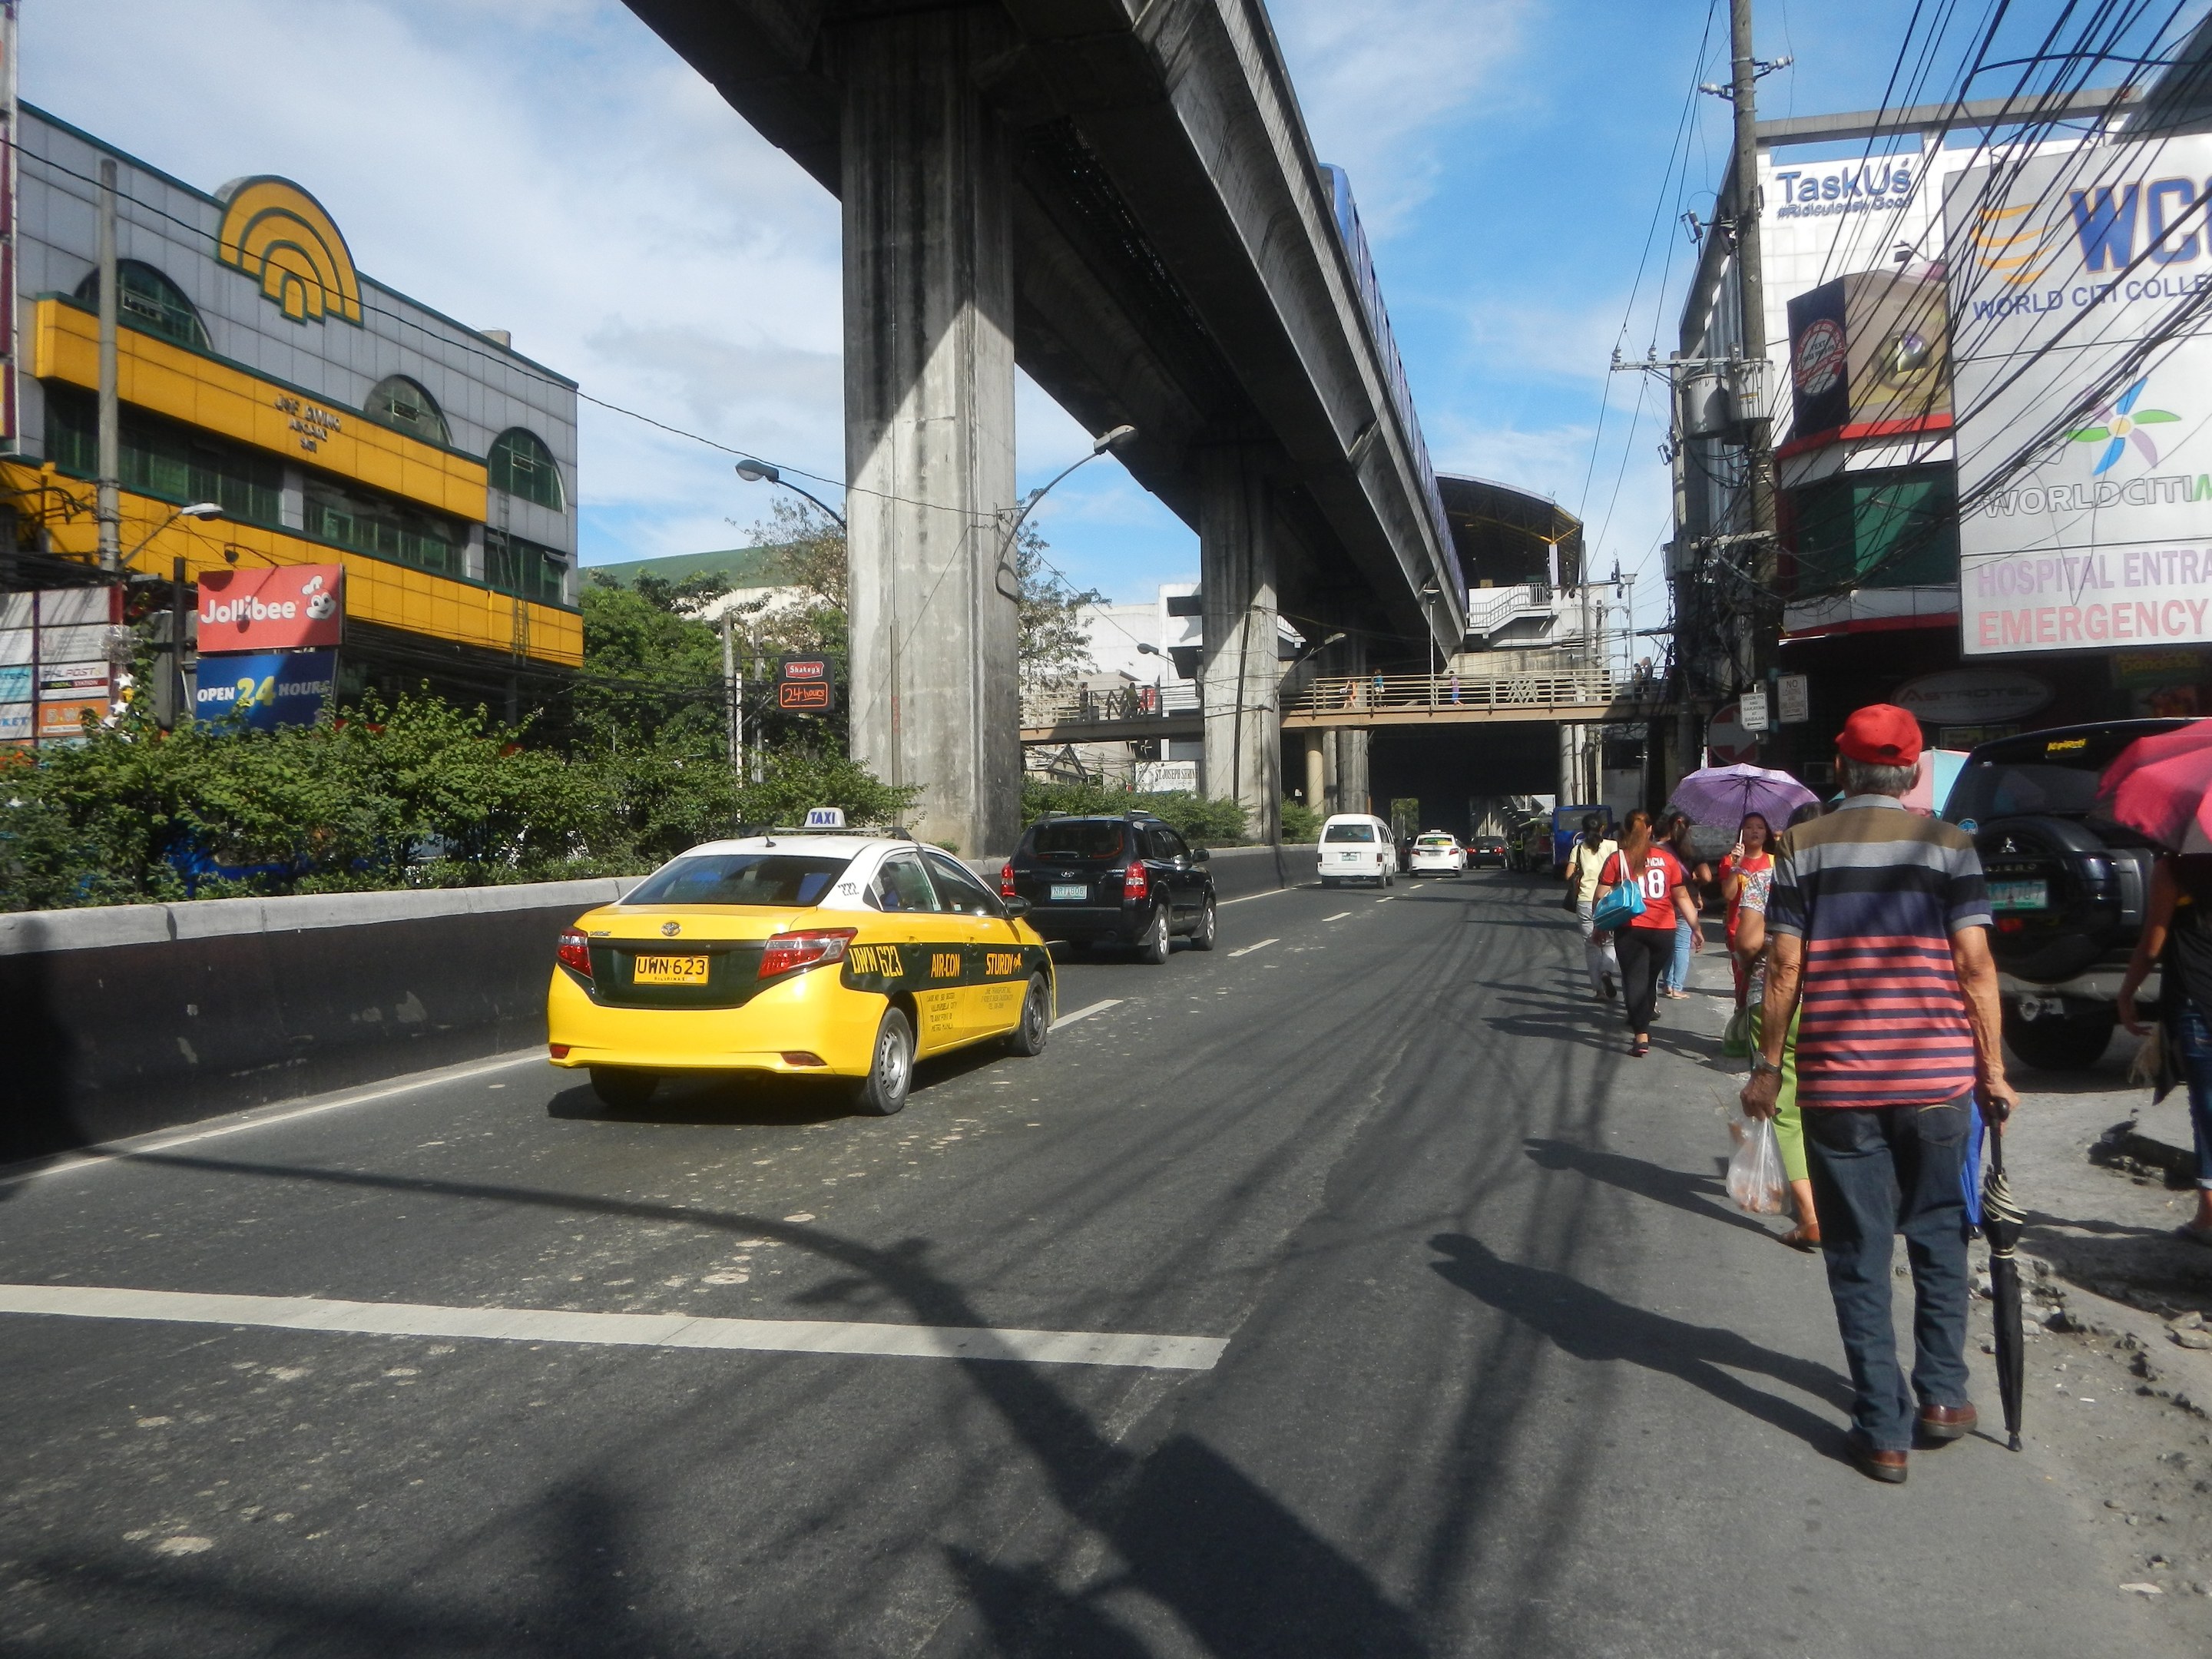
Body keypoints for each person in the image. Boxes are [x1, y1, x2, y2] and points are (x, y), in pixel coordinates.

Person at [1740, 704, 2013, 1485]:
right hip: (1937, 1082)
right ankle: (1943, 1397)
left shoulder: (1803, 846)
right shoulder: (1951, 846)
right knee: (1937, 1233)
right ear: (1912, 770)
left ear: (1844, 768)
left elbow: (1784, 967)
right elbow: (1975, 967)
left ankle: (1884, 1432)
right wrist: (1992, 1071)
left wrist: (1767, 1067)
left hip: (1840, 1082)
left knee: (1858, 1251)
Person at [1730, 825, 1819, 1250]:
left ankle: (1810, 1215)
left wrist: (1766, 949)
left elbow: (1746, 943)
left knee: (1781, 1105)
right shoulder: (1836, 877)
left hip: (1777, 1000)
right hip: (1830, 1001)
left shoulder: (1766, 880)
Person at [2118, 854, 2212, 1244]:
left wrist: (2127, 994)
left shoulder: (2177, 867)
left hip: (2196, 996)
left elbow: (2153, 944)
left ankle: (2209, 1214)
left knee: (2207, 1104)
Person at [1593, 809, 1699, 1058]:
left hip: (1631, 929)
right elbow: (1681, 896)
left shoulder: (1618, 860)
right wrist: (1696, 927)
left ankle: (1641, 1034)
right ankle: (1645, 1019)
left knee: (1634, 980)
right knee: (1650, 980)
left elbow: (1599, 896)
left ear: (1627, 830)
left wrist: (1599, 926)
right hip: (1665, 931)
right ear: (1650, 829)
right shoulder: (1668, 860)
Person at [1717, 813, 1776, 1012]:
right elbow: (1729, 894)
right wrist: (1735, 866)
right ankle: (1742, 1023)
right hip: (1739, 932)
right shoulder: (1730, 860)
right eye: (1749, 827)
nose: (1755, 831)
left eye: (1760, 827)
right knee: (1743, 984)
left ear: (1766, 833)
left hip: (1769, 933)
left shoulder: (1775, 862)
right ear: (1741, 833)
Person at [1563, 813, 1620, 1002]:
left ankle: (1599, 991)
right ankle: (1606, 971)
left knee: (1592, 945)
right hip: (1609, 901)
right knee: (1610, 942)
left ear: (1584, 830)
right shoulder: (1613, 847)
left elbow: (1568, 875)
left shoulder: (1578, 849)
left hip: (1586, 901)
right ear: (1602, 828)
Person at [1657, 812, 1707, 999]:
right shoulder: (1693, 850)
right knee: (1682, 946)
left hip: (1666, 901)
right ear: (1689, 829)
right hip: (1688, 901)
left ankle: (1667, 984)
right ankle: (1676, 987)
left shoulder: (1660, 849)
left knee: (1667, 945)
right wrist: (1695, 880)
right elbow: (1708, 876)